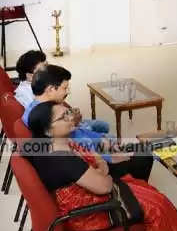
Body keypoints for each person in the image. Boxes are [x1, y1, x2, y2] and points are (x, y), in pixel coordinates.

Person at [25, 101, 177, 231]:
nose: (70, 117)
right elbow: (105, 186)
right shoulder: (62, 158)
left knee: (149, 193)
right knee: (158, 206)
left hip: (86, 195)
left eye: (68, 112)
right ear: (47, 131)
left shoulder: (52, 145)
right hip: (87, 215)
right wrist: (103, 171)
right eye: (63, 117)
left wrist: (100, 167)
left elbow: (97, 161)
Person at [24, 65, 153, 181]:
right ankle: (138, 194)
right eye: (65, 88)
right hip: (94, 165)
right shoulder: (43, 116)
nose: (67, 92)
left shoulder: (48, 108)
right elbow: (77, 148)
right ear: (51, 89)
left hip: (93, 149)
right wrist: (109, 157)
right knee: (144, 154)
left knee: (144, 146)